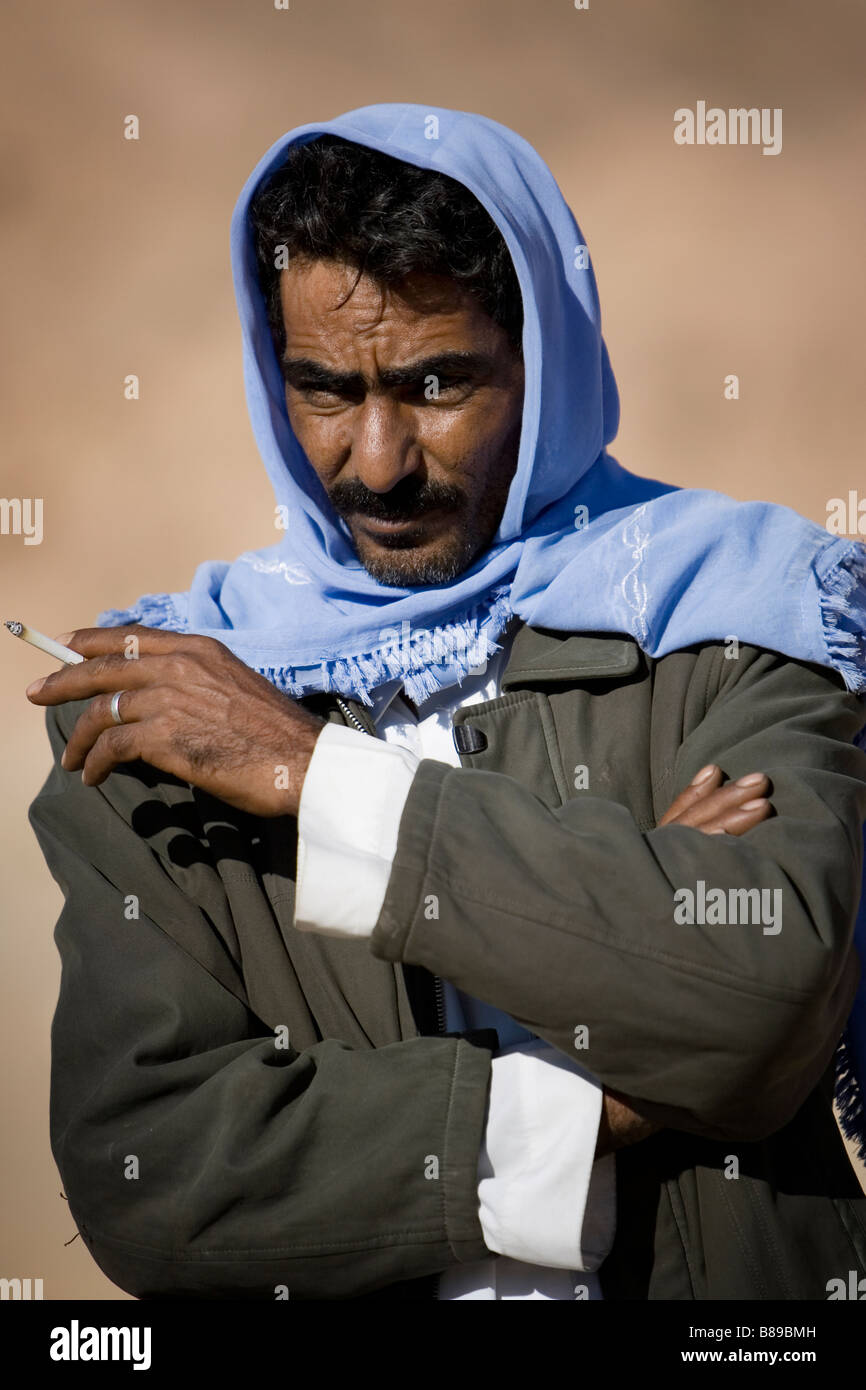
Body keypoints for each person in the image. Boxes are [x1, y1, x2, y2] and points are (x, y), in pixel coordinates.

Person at [27, 104, 866, 1300]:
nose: (375, 459)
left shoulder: (740, 615)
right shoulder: (167, 707)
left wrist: (320, 781)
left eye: (434, 383)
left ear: (546, 360)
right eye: (322, 389)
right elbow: (153, 1173)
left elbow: (762, 992)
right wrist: (589, 1106)